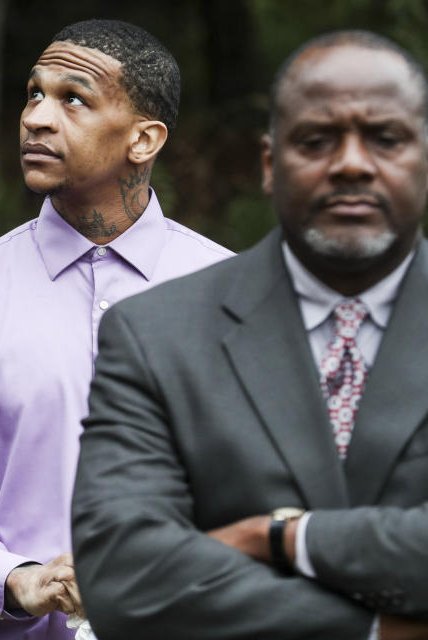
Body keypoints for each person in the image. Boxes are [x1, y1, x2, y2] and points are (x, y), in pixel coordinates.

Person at [0, 19, 231, 639]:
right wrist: (12, 578)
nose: (36, 118)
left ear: (144, 139)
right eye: (33, 93)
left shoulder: (234, 300)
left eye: (72, 99)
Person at [73, 30, 428, 640]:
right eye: (316, 141)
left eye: (385, 139)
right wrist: (379, 630)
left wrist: (287, 537)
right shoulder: (154, 337)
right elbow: (126, 575)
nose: (349, 162)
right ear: (270, 165)